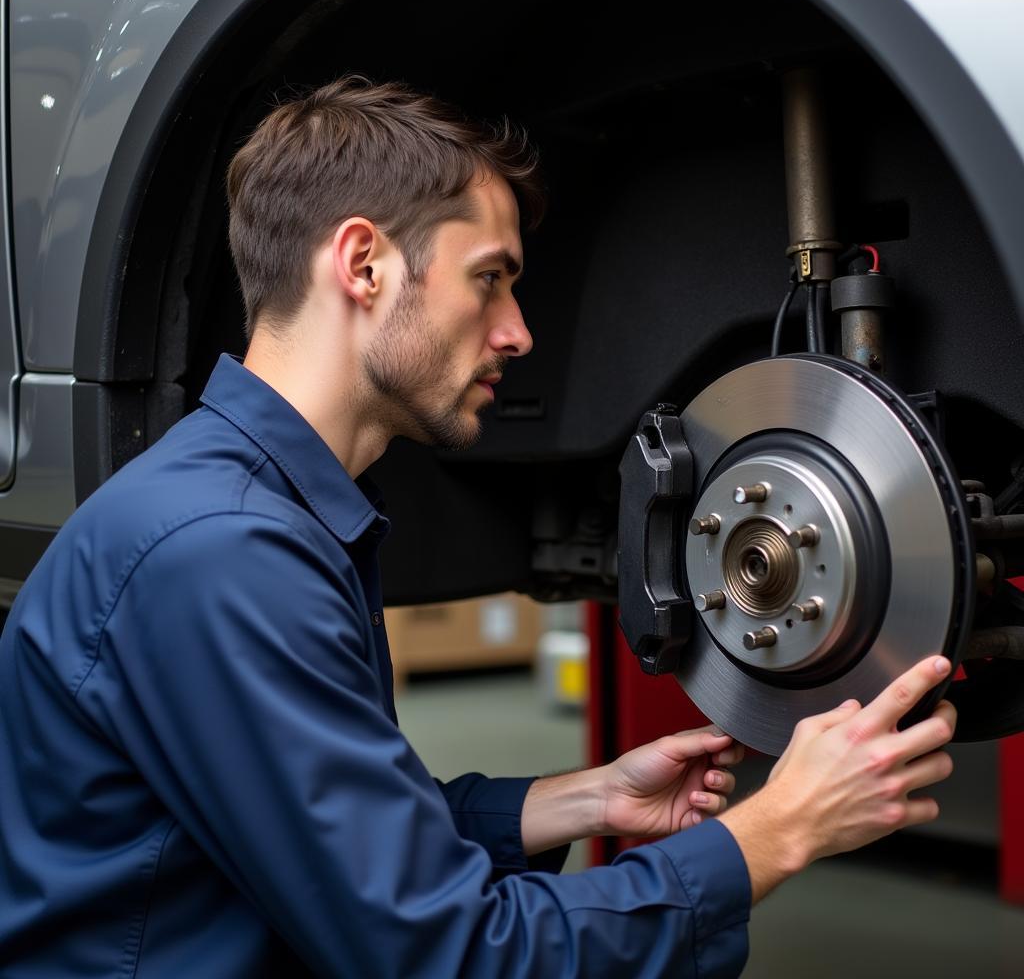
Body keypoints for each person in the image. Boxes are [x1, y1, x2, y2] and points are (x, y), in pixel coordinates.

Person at [0, 77, 956, 978]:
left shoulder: (249, 514)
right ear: (363, 263)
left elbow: (342, 845)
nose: (518, 331)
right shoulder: (220, 556)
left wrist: (582, 798)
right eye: (489, 279)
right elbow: (446, 954)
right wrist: (772, 833)